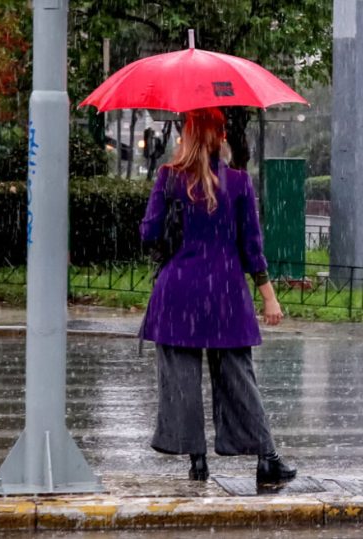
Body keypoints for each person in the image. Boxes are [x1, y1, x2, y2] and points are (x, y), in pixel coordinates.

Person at [139, 107, 296, 484]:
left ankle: (196, 460)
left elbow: (148, 234)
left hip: (177, 293)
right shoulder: (240, 183)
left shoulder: (168, 178)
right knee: (238, 378)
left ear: (187, 136)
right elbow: (252, 247)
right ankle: (266, 458)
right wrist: (269, 297)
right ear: (222, 137)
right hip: (225, 294)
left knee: (181, 379)